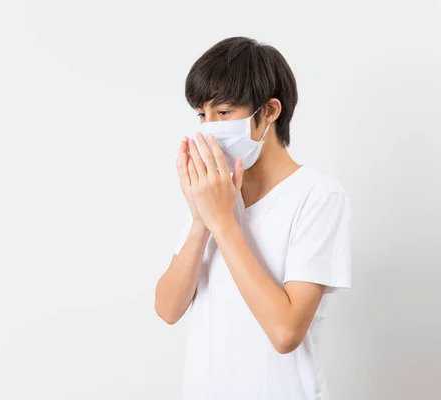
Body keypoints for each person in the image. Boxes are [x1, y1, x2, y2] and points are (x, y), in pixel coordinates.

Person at [154, 36, 351, 400]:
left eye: (224, 113)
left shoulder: (318, 196)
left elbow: (285, 333)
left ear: (270, 111)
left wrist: (224, 223)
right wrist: (201, 219)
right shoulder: (214, 192)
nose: (209, 127)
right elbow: (167, 308)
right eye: (202, 115)